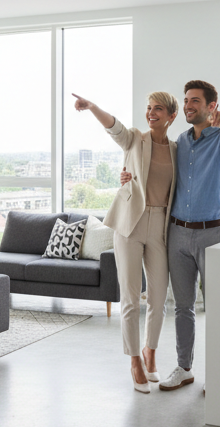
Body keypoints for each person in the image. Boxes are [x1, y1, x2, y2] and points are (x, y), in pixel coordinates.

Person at [71, 90, 179, 393]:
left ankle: (150, 352)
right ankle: (134, 360)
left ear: (172, 116)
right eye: (148, 108)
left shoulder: (176, 150)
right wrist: (92, 106)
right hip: (129, 225)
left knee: (159, 299)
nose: (151, 113)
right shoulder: (134, 139)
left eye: (158, 109)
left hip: (160, 226)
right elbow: (114, 126)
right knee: (131, 298)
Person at [158, 79, 220, 392]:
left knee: (218, 305)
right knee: (183, 307)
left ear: (212, 107)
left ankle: (219, 372)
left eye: (195, 100)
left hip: (212, 234)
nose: (189, 105)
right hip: (178, 233)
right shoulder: (180, 140)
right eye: (187, 100)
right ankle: (184, 368)